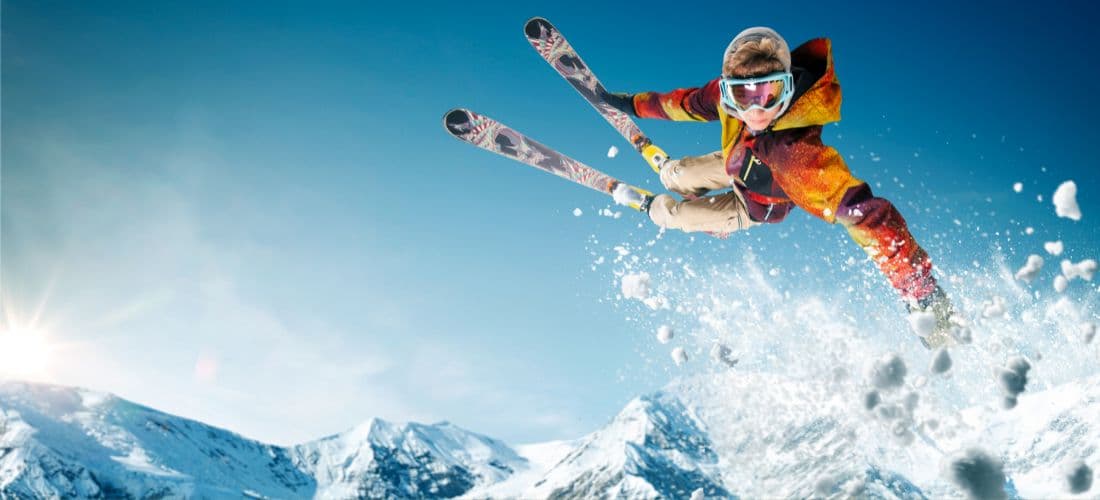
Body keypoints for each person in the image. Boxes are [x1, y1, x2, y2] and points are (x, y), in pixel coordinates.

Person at [603, 27, 959, 348]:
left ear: (788, 87)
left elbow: (867, 216)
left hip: (754, 206)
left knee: (676, 215)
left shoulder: (795, 156)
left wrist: (921, 293)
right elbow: (682, 104)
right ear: (727, 93)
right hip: (737, 162)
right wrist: (631, 104)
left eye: (770, 93)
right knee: (676, 176)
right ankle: (670, 173)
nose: (757, 109)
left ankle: (654, 207)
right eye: (744, 96)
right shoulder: (724, 100)